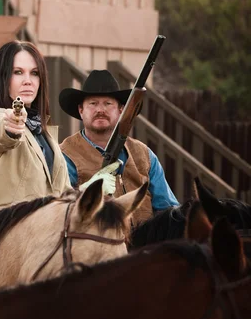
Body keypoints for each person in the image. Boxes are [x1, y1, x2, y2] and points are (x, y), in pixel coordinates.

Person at [0, 41, 73, 223]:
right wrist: (11, 126)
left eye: (35, 73)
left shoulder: (45, 133)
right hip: (0, 231)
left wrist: (93, 190)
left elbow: (63, 193)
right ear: (3, 77)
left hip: (43, 232)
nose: (28, 81)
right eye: (18, 72)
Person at [59, 69, 179, 225]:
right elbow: (59, 209)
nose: (100, 110)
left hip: (145, 248)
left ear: (121, 110)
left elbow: (169, 210)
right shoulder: (65, 155)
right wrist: (86, 190)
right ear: (81, 110)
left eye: (108, 103)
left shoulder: (144, 155)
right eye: (93, 103)